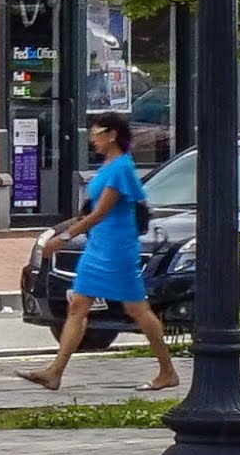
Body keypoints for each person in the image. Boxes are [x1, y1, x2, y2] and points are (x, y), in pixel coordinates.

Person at [32, 112, 178, 393]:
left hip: (117, 249)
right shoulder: (109, 165)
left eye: (97, 133)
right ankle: (55, 372)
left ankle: (167, 371)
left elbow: (100, 213)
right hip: (98, 247)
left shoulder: (121, 167)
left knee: (136, 308)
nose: (92, 138)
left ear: (112, 135)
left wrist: (63, 237)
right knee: (78, 305)